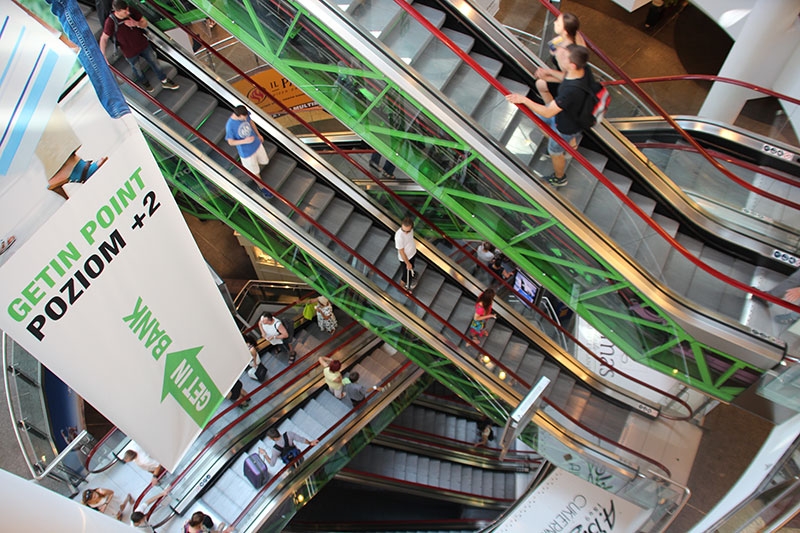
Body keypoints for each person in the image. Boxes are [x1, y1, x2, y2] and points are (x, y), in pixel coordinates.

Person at [506, 45, 595, 188]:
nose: (558, 56)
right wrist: (549, 74)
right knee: (538, 117)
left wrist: (524, 100)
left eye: (562, 57)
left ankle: (560, 178)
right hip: (570, 115)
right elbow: (566, 77)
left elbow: (548, 112)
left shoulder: (571, 92)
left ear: (571, 65)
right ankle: (570, 144)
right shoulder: (583, 71)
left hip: (566, 126)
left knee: (555, 150)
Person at [98, 0, 180, 93]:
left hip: (143, 44)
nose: (128, 12)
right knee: (136, 68)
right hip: (129, 51)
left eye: (128, 9)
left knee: (154, 62)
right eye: (125, 11)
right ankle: (144, 82)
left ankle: (164, 80)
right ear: (117, 11)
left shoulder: (132, 12)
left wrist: (136, 23)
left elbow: (144, 23)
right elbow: (104, 38)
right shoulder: (110, 22)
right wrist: (103, 55)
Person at [535, 13, 585, 103]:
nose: (554, 23)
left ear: (565, 31)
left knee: (540, 84)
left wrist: (548, 76)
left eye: (558, 23)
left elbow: (570, 78)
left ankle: (552, 112)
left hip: (571, 87)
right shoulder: (575, 36)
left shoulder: (564, 53)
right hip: (578, 81)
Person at [226, 105, 272, 198]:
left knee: (265, 161)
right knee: (254, 172)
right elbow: (230, 142)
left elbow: (251, 122)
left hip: (256, 144)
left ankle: (256, 170)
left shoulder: (246, 116)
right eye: (244, 117)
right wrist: (245, 141)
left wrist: (258, 135)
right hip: (247, 153)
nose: (246, 118)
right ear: (238, 115)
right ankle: (262, 187)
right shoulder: (230, 125)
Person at [395, 216, 418, 292]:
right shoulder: (399, 237)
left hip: (412, 253)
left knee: (411, 267)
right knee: (405, 273)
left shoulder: (411, 230)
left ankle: (411, 275)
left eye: (408, 231)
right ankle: (401, 287)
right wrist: (407, 263)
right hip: (405, 258)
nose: (405, 233)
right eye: (403, 230)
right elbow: (401, 251)